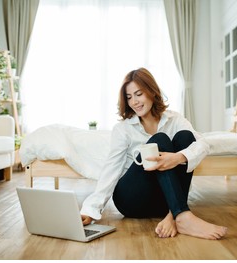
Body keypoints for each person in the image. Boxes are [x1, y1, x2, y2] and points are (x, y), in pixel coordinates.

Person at [81, 67, 227, 240]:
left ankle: (174, 215)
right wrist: (90, 209)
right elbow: (111, 169)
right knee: (159, 140)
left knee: (186, 137)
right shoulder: (123, 129)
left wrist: (178, 157)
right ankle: (181, 214)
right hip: (131, 200)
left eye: (138, 94)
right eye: (129, 97)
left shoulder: (174, 119)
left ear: (151, 91)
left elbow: (203, 144)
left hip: (162, 201)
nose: (134, 102)